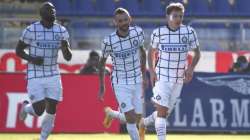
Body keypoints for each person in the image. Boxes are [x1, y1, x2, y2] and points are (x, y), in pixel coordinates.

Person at [138, 3, 201, 140]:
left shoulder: (189, 32)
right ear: (167, 17)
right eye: (175, 16)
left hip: (179, 78)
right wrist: (152, 71)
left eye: (181, 16)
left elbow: (197, 53)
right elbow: (151, 52)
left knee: (164, 113)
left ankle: (144, 123)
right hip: (162, 77)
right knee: (162, 113)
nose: (178, 18)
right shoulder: (158, 32)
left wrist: (190, 68)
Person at [16, 2, 72, 140]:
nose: (52, 12)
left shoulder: (61, 31)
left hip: (53, 73)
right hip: (35, 73)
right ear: (41, 13)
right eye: (48, 9)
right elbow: (18, 50)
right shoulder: (31, 30)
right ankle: (26, 108)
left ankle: (43, 138)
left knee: (52, 107)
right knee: (39, 110)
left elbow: (68, 57)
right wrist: (32, 59)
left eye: (53, 10)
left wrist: (65, 48)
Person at [98, 8, 146, 140]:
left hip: (137, 79)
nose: (124, 22)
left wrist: (144, 75)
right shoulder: (109, 41)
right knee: (131, 119)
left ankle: (113, 114)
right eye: (120, 21)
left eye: (126, 19)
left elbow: (143, 53)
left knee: (137, 117)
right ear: (115, 22)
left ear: (130, 19)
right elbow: (101, 63)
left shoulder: (138, 33)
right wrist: (102, 86)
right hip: (120, 82)